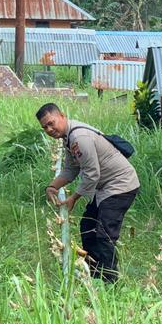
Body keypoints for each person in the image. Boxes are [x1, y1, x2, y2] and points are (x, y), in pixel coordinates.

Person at [37, 103, 140, 282]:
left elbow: (92, 174)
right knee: (87, 226)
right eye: (45, 127)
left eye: (51, 123)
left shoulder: (79, 137)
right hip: (105, 188)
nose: (49, 129)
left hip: (120, 185)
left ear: (61, 115)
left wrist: (73, 198)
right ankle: (94, 273)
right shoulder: (68, 137)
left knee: (104, 234)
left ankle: (110, 282)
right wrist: (52, 186)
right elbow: (71, 169)